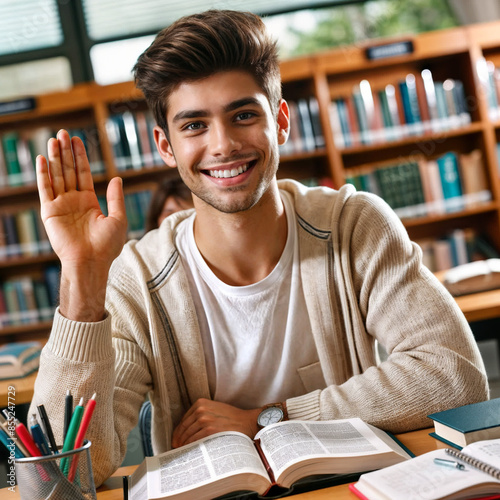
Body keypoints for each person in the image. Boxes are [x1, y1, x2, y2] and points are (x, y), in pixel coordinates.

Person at [31, 9, 488, 486]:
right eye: (194, 126)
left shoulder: (355, 225)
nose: (223, 145)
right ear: (166, 147)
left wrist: (270, 418)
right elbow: (61, 476)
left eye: (243, 115)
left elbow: (455, 377)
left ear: (282, 120)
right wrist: (81, 278)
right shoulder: (137, 279)